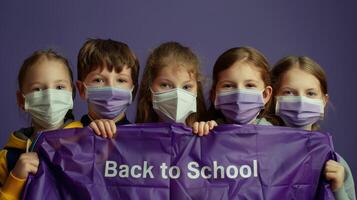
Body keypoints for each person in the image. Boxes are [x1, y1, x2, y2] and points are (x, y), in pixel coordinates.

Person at [270, 56, 356, 200]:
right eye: (289, 92)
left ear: (324, 101)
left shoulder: (336, 164)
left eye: (311, 93)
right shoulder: (258, 152)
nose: (301, 101)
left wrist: (338, 188)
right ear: (273, 97)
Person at [0, 50, 77, 200]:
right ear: (21, 100)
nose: (50, 96)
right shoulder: (8, 158)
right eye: (37, 89)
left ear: (72, 93)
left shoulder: (88, 142)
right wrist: (15, 179)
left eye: (59, 87)